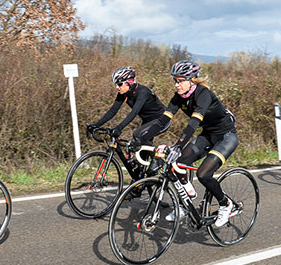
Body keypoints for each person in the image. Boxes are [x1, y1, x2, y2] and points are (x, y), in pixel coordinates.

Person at [156, 60, 238, 227]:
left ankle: (226, 205)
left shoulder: (203, 94)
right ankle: (187, 199)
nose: (177, 85)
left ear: (192, 80)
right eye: (175, 80)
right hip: (207, 135)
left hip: (226, 136)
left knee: (203, 174)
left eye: (180, 80)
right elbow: (162, 120)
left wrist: (178, 145)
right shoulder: (178, 98)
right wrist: (141, 138)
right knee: (177, 163)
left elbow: (193, 123)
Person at [85, 66, 169, 155]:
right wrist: (96, 125)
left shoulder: (143, 92)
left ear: (129, 82)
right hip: (148, 121)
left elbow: (134, 112)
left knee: (137, 135)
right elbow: (113, 111)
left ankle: (156, 161)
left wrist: (119, 128)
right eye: (116, 84)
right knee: (140, 157)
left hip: (162, 119)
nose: (117, 87)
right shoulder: (124, 93)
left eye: (120, 84)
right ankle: (144, 166)